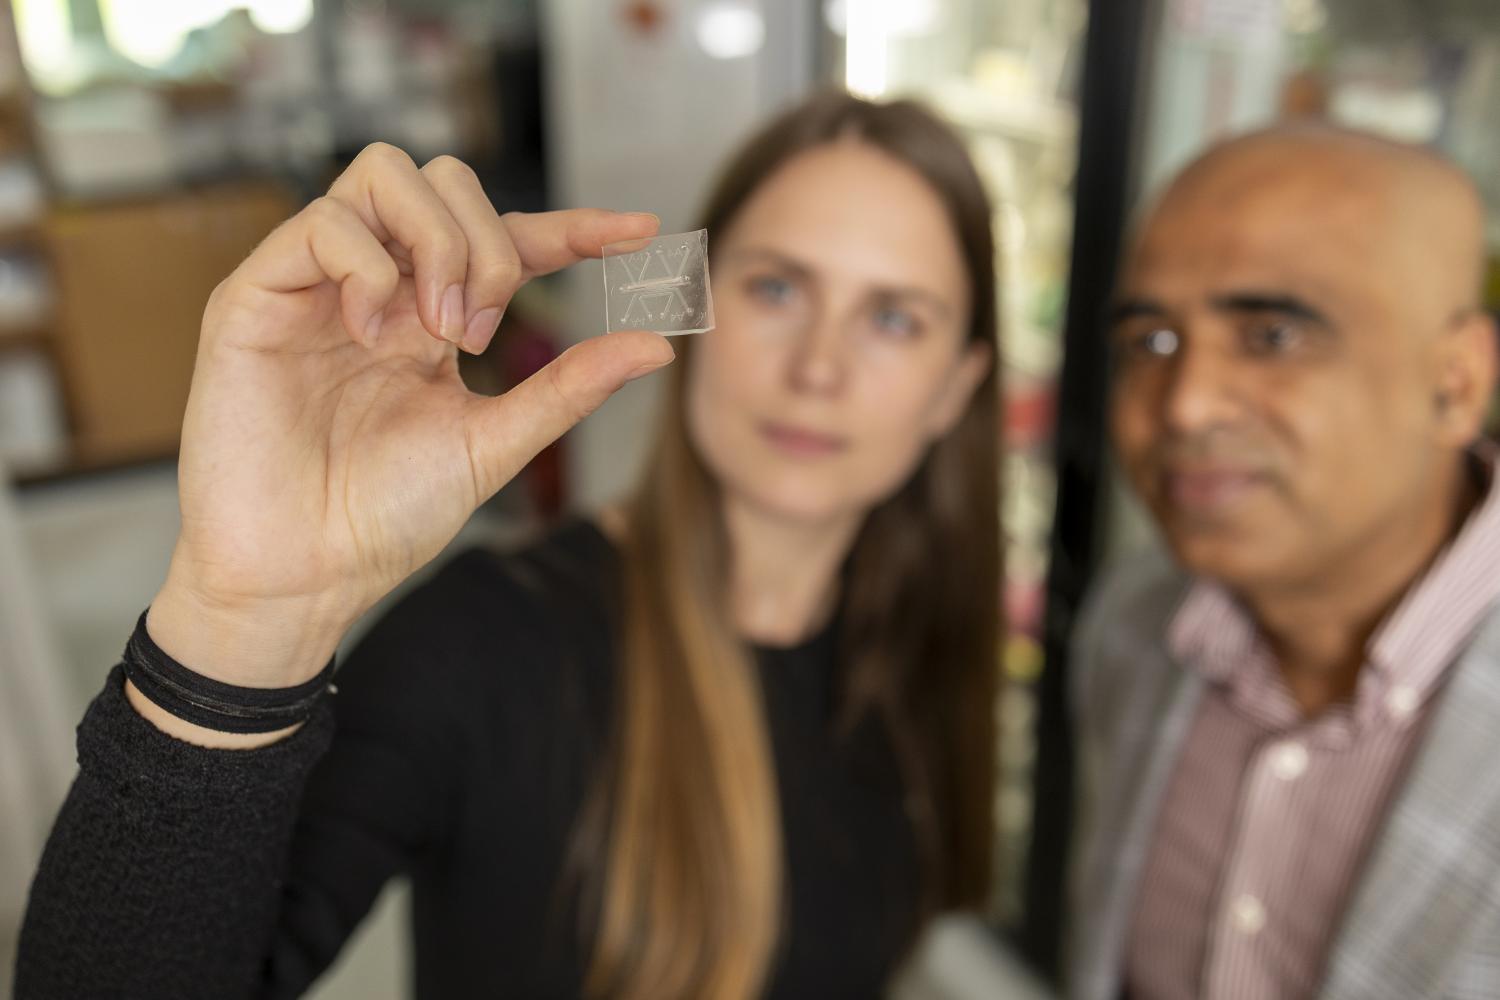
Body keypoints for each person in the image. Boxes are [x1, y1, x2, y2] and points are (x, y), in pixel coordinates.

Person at [14, 90, 1001, 999]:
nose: (820, 367)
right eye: (778, 289)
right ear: (690, 302)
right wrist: (244, 614)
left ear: (956, 388)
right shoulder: (487, 646)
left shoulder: (921, 640)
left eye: (893, 317)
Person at [1067, 124, 1500, 1000]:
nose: (1186, 405)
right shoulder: (1138, 623)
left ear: (1455, 384)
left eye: (1271, 337)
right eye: (1149, 343)